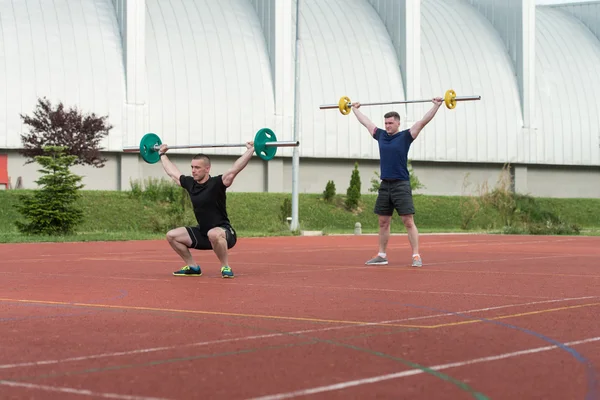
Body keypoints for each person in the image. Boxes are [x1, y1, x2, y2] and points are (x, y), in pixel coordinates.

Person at [351, 97, 443, 267]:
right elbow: (366, 122)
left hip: (401, 184)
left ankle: (416, 255)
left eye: (390, 123)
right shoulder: (380, 136)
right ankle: (381, 255)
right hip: (385, 185)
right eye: (385, 123)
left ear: (398, 123)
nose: (387, 126)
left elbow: (423, 122)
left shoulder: (406, 136)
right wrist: (354, 109)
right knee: (383, 222)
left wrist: (436, 106)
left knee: (408, 221)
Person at [157, 141, 255, 278]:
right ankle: (193, 267)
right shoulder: (190, 184)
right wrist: (162, 154)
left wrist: (251, 150)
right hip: (203, 233)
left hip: (224, 234)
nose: (193, 170)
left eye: (197, 167)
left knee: (213, 234)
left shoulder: (217, 183)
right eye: (192, 167)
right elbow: (173, 173)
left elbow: (235, 169)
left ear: (207, 169)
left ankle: (225, 266)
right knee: (172, 235)